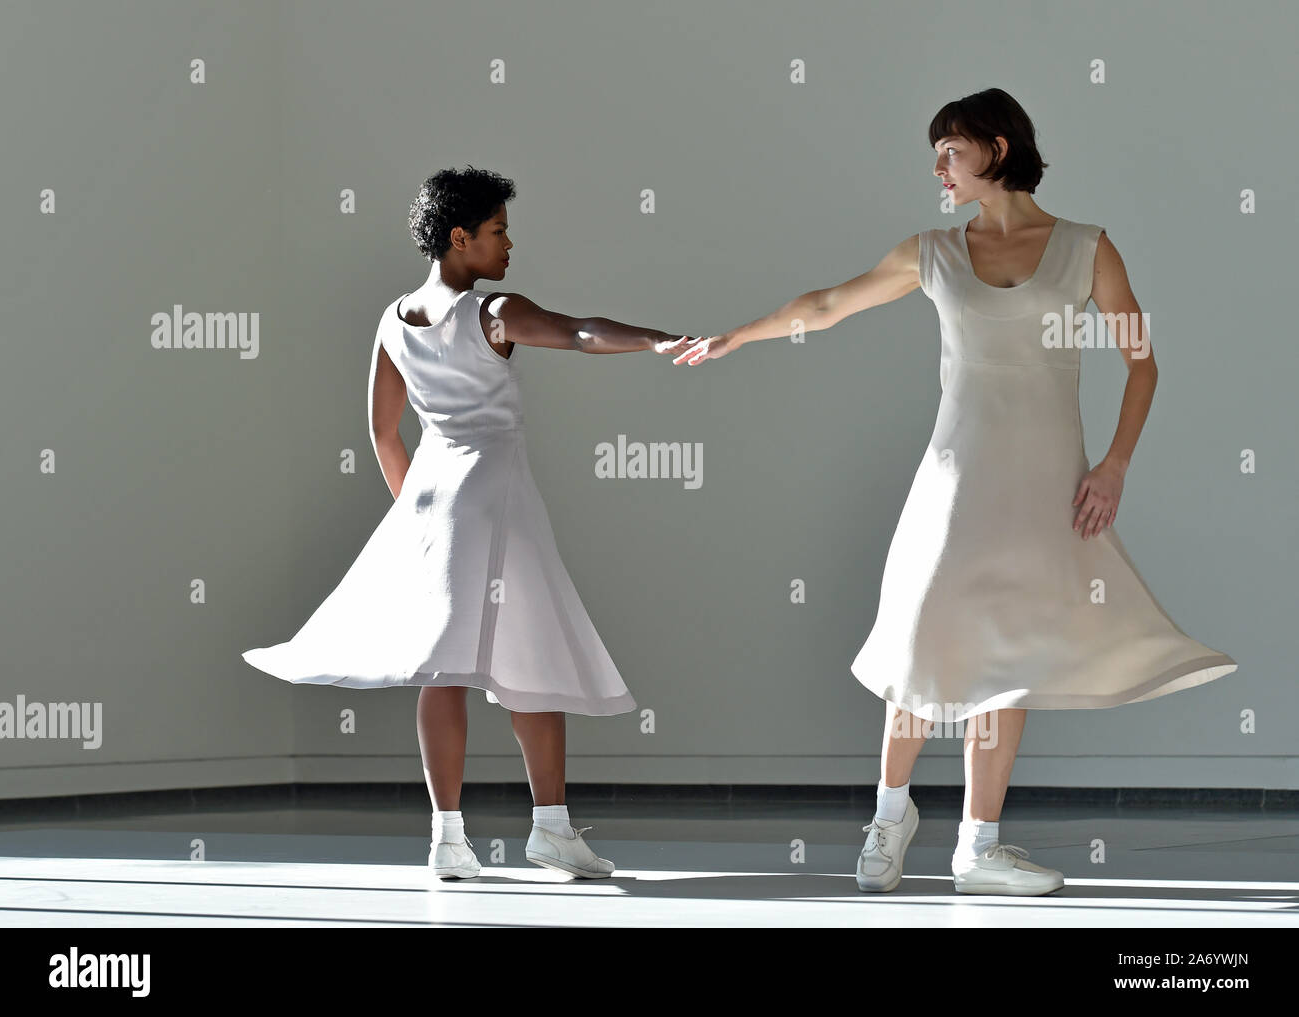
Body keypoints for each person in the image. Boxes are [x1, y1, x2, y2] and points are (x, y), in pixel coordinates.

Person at [662, 87, 1237, 896]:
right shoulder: (932, 251)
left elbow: (1141, 361)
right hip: (953, 481)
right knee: (921, 647)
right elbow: (828, 304)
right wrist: (736, 336)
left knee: (1008, 662)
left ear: (997, 149)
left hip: (1045, 492)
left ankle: (979, 845)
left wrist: (1113, 466)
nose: (937, 166)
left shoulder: (1086, 247)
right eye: (934, 152)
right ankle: (890, 813)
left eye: (949, 150)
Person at [242, 166, 691, 882]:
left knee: (442, 670)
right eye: (498, 231)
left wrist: (417, 523)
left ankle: (447, 838)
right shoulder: (494, 312)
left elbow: (384, 432)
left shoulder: (394, 318)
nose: (510, 245)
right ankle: (550, 828)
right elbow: (578, 332)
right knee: (533, 661)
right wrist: (658, 339)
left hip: (431, 501)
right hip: (495, 497)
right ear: (460, 238)